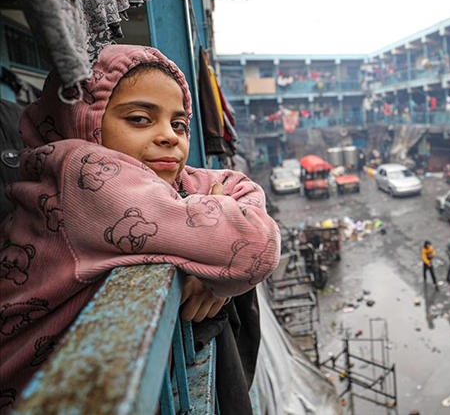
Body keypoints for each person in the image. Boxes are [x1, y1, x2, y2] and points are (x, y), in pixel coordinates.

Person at [0, 45, 281, 411]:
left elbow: (238, 184)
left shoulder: (143, 177)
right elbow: (255, 244)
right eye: (139, 119)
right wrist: (220, 263)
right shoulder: (82, 169)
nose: (169, 136)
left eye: (178, 123)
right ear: (84, 120)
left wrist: (213, 252)